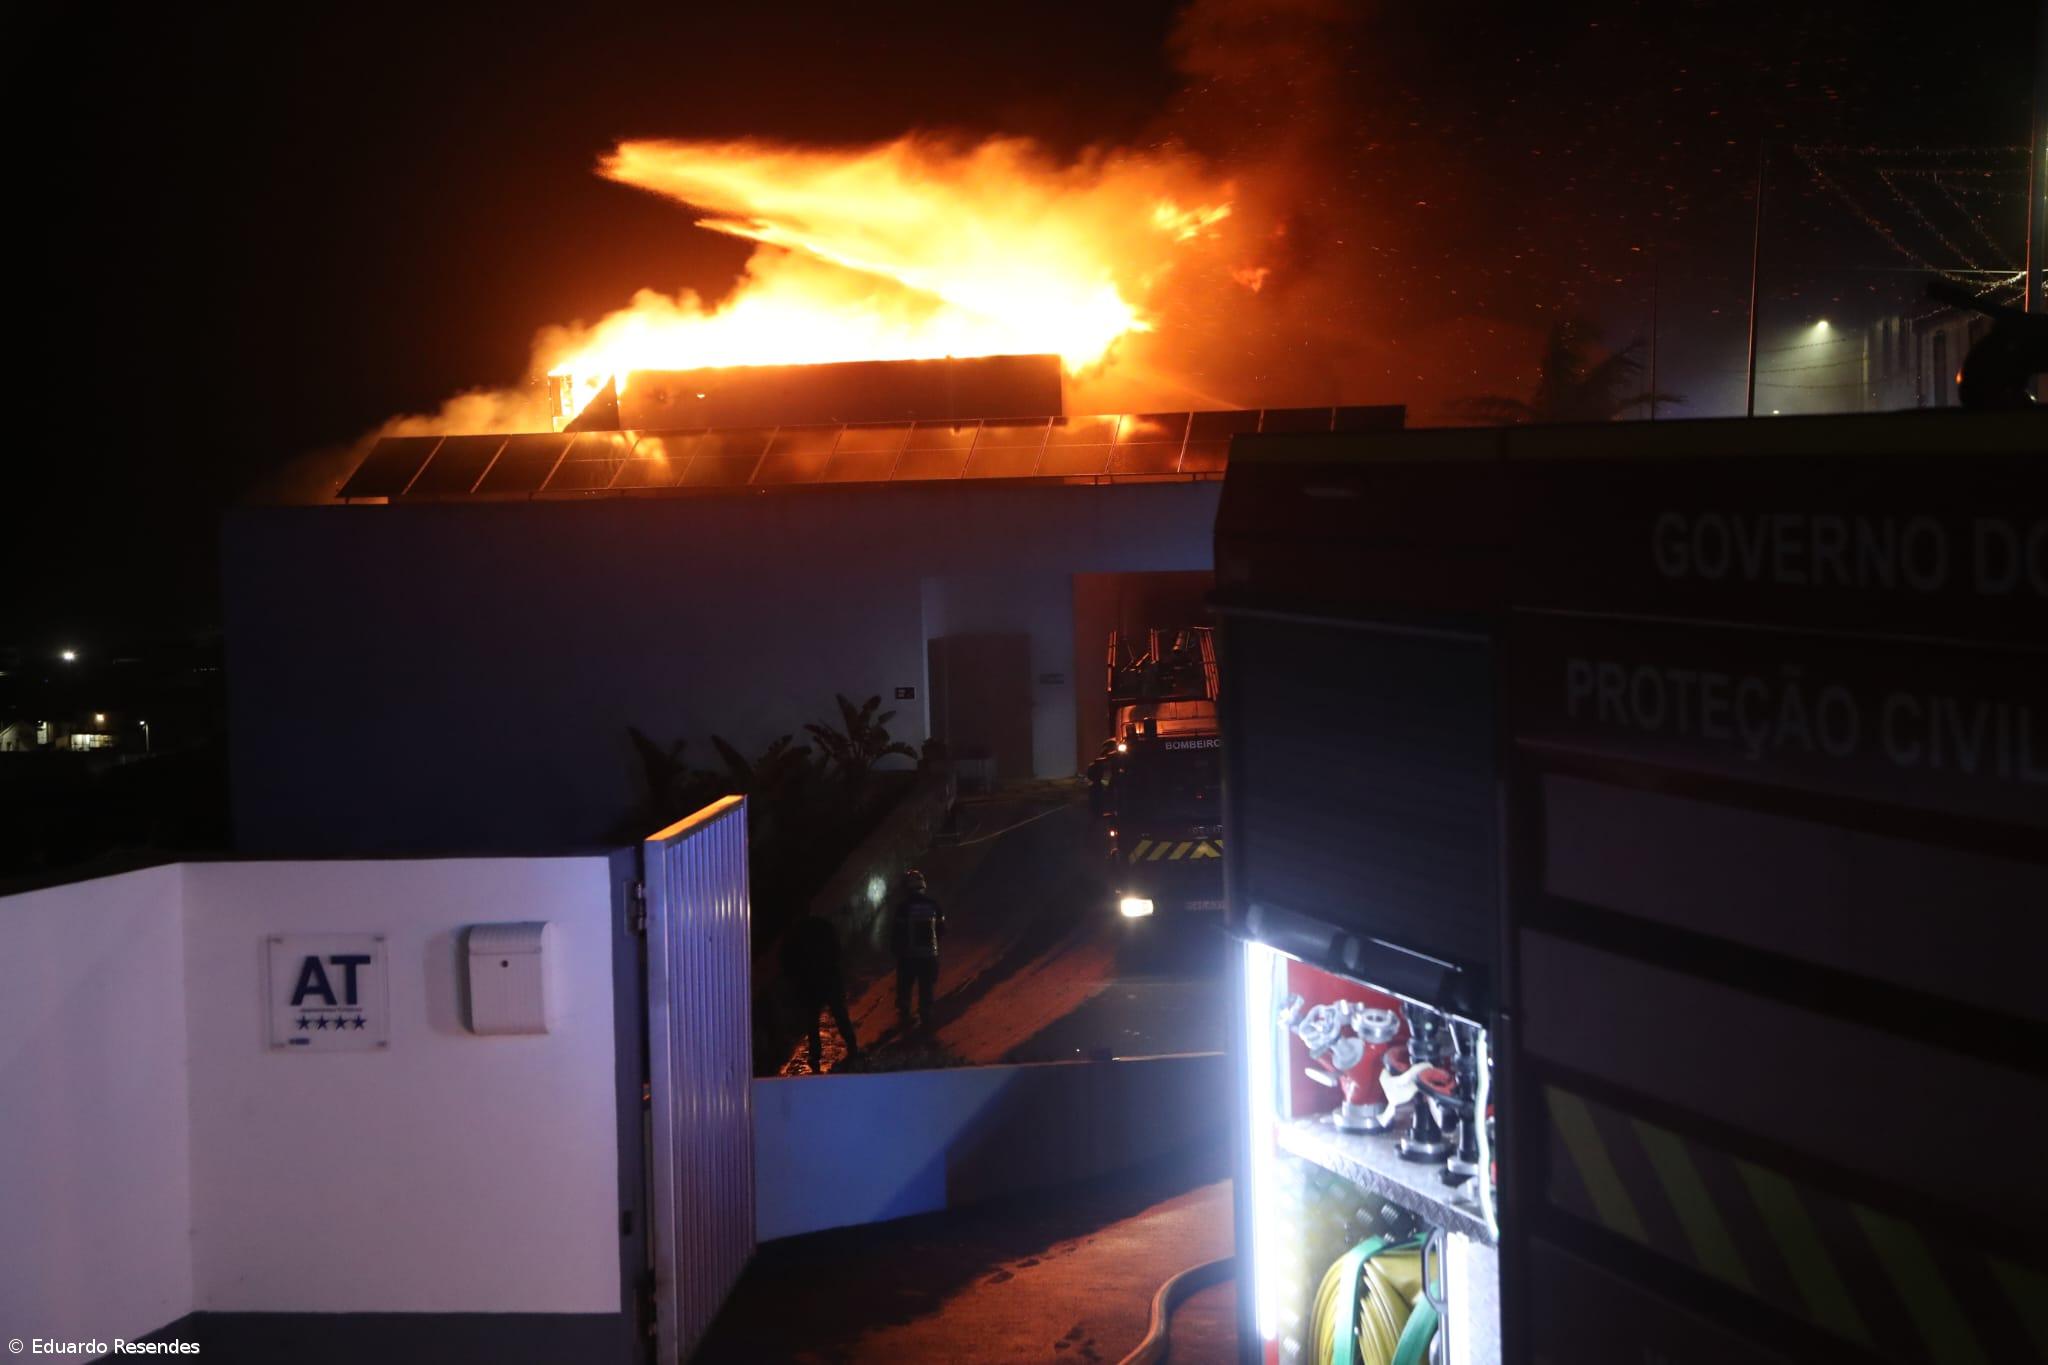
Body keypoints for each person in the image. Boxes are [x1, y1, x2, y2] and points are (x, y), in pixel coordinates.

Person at [780, 908, 858, 1072]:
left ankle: (815, 1055)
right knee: (840, 1014)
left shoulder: (794, 934)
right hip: (830, 979)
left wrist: (795, 982)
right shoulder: (824, 926)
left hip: (810, 984)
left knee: (812, 1021)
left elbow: (788, 962)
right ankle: (852, 1046)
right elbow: (838, 951)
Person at [891, 869, 945, 1030]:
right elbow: (942, 930)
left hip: (909, 957)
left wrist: (896, 950)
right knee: (926, 988)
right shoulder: (934, 905)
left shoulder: (903, 907)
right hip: (929, 956)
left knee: (905, 988)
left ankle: (905, 1018)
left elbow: (897, 933)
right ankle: (926, 1019)